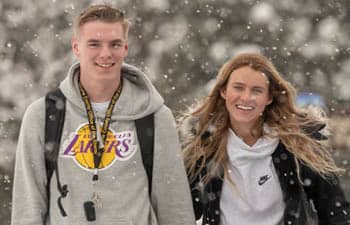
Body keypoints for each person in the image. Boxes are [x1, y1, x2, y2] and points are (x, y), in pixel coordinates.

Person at [11, 4, 195, 225]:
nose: (105, 53)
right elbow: (28, 207)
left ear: (125, 48)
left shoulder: (154, 116)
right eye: (94, 44)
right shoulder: (43, 115)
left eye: (115, 44)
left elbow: (174, 207)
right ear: (76, 47)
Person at [180, 53, 350, 225]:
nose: (246, 97)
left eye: (257, 90)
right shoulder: (203, 147)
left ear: (269, 97)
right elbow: (180, 210)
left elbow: (336, 212)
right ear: (224, 91)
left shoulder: (299, 145)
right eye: (238, 87)